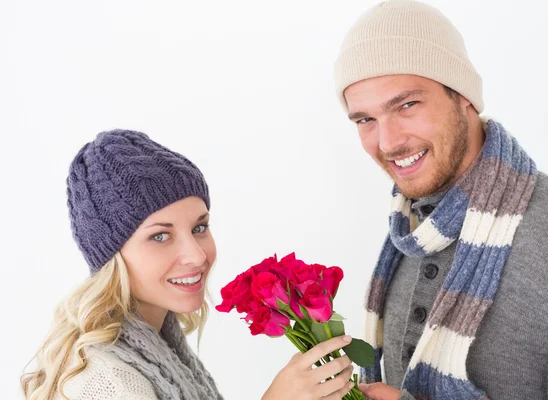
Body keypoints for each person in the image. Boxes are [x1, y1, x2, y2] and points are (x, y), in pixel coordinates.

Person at [333, 1, 548, 399]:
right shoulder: (410, 231)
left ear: (465, 97)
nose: (387, 142)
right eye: (365, 120)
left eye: (407, 105)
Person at [21, 129, 356, 400]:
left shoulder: (160, 348)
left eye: (199, 228)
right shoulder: (107, 381)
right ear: (111, 256)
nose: (196, 255)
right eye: (160, 236)